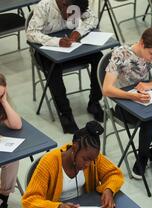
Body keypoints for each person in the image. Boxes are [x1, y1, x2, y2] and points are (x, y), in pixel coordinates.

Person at [102, 26, 152, 180]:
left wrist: (151, 84)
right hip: (122, 102)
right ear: (141, 43)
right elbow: (106, 90)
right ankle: (142, 157)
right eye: (151, 54)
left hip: (144, 96)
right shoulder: (121, 54)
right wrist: (132, 97)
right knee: (148, 122)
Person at [26, 0, 104, 134]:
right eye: (70, 15)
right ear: (63, 5)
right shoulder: (44, 6)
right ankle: (66, 114)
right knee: (53, 68)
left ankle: (94, 102)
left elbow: (93, 18)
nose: (73, 18)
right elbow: (31, 33)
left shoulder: (77, 4)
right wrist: (57, 42)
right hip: (46, 49)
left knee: (98, 57)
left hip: (71, 44)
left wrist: (78, 32)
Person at [0, 74, 22, 208]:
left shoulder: (2, 100)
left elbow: (16, 124)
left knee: (13, 159)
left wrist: (4, 101)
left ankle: (3, 200)